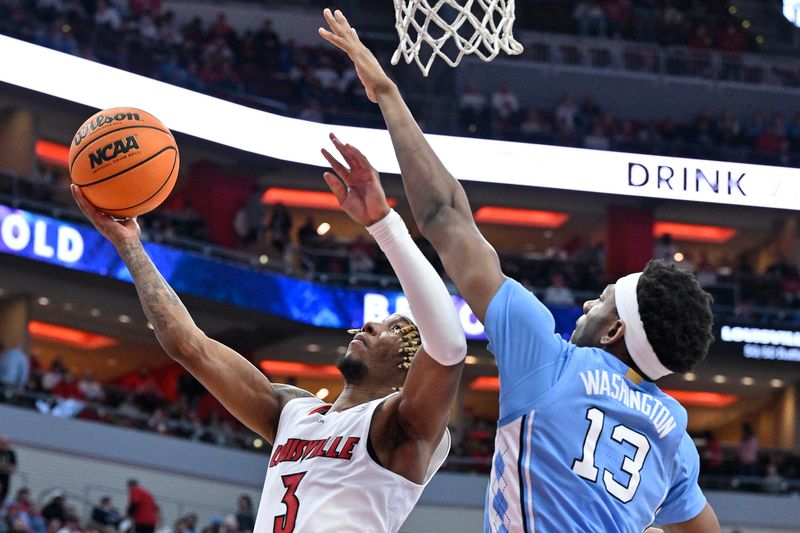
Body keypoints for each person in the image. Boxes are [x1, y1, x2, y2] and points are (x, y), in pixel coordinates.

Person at [320, 8, 720, 532]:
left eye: (601, 301)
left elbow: (444, 216)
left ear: (616, 328)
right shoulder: (675, 439)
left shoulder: (549, 359)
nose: (585, 305)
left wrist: (389, 96)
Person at [70, 128, 466, 532]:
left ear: (409, 369)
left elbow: (447, 346)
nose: (368, 324)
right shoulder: (292, 411)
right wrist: (129, 245)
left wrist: (384, 225)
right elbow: (189, 346)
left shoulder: (402, 426)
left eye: (391, 329)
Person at [0, 436, 17, 503]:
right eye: (2, 443)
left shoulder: (11, 453)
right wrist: (6, 466)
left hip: (5, 477)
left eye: (6, 444)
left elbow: (13, 467)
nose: (4, 445)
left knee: (4, 494)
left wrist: (3, 467)